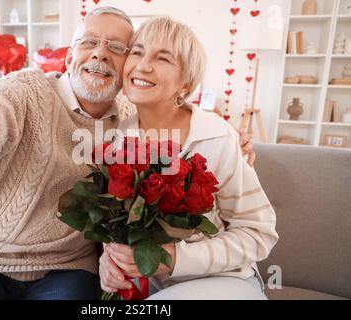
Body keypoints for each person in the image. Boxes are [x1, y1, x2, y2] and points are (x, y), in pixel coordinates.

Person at [0, 7, 254, 300]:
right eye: (89, 42)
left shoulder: (131, 122)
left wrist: (221, 136)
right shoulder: (25, 93)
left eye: (116, 47)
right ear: (70, 57)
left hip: (66, 266)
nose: (100, 52)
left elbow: (172, 103)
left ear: (124, 70)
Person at [99, 16, 278, 300]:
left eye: (163, 58)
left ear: (186, 84)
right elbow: (119, 227)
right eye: (137, 51)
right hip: (156, 289)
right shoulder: (118, 138)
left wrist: (173, 258)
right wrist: (109, 260)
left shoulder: (217, 137)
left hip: (226, 281)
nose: (143, 65)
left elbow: (258, 234)